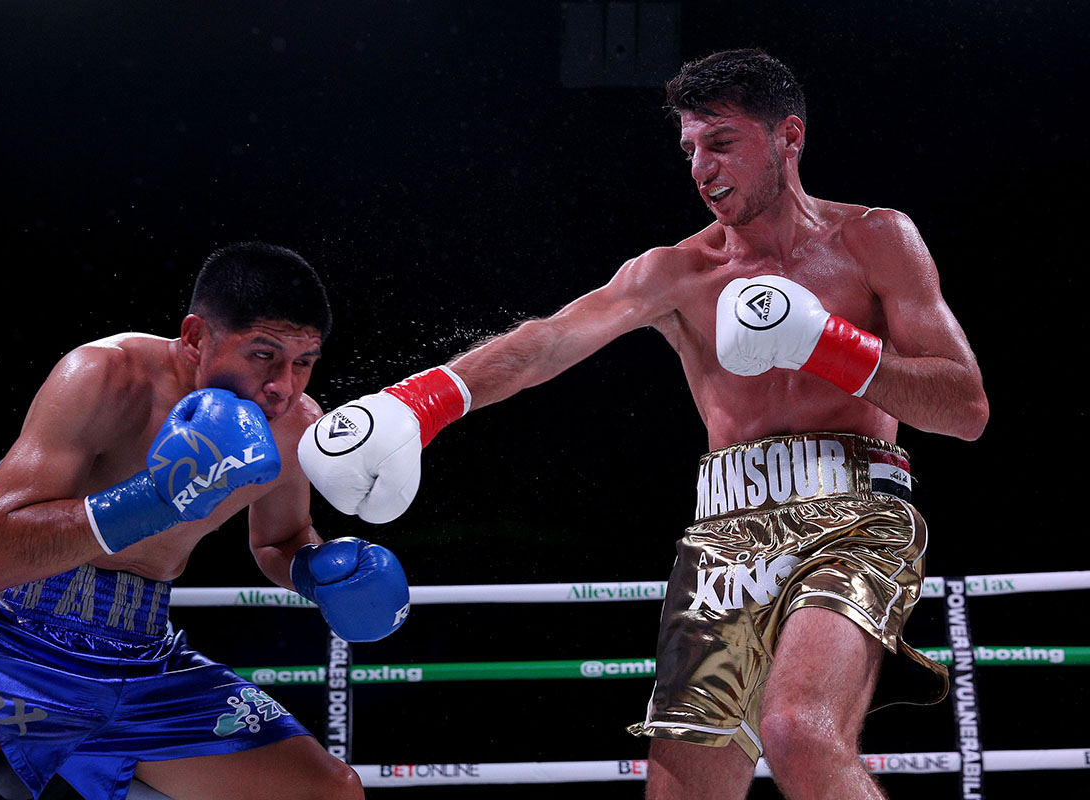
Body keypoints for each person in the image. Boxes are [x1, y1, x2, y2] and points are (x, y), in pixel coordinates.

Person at [296, 50, 989, 799]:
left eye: (720, 142)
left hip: (858, 514)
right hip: (727, 532)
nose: (699, 166)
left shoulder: (874, 239)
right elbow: (546, 341)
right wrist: (420, 401)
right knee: (682, 784)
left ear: (788, 137)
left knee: (800, 732)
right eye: (689, 148)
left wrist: (831, 346)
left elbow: (965, 408)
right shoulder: (677, 272)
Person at [0, 242, 412, 800]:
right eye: (263, 354)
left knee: (330, 790)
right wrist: (158, 499)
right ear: (195, 338)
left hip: (136, 651)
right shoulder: (105, 374)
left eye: (304, 362)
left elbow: (280, 540)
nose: (284, 385)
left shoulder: (293, 427)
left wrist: (320, 574)